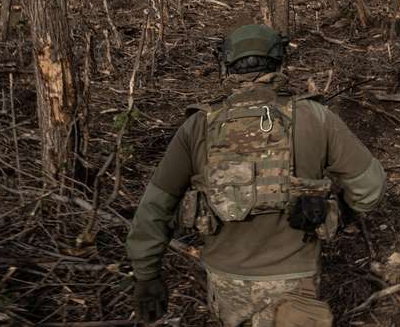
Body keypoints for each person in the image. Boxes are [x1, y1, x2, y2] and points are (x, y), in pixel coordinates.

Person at [126, 24, 386, 326]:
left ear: (227, 65)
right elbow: (371, 187)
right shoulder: (316, 118)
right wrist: (337, 213)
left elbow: (154, 208)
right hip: (295, 281)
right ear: (280, 62)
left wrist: (147, 275)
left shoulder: (197, 126)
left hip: (226, 283)